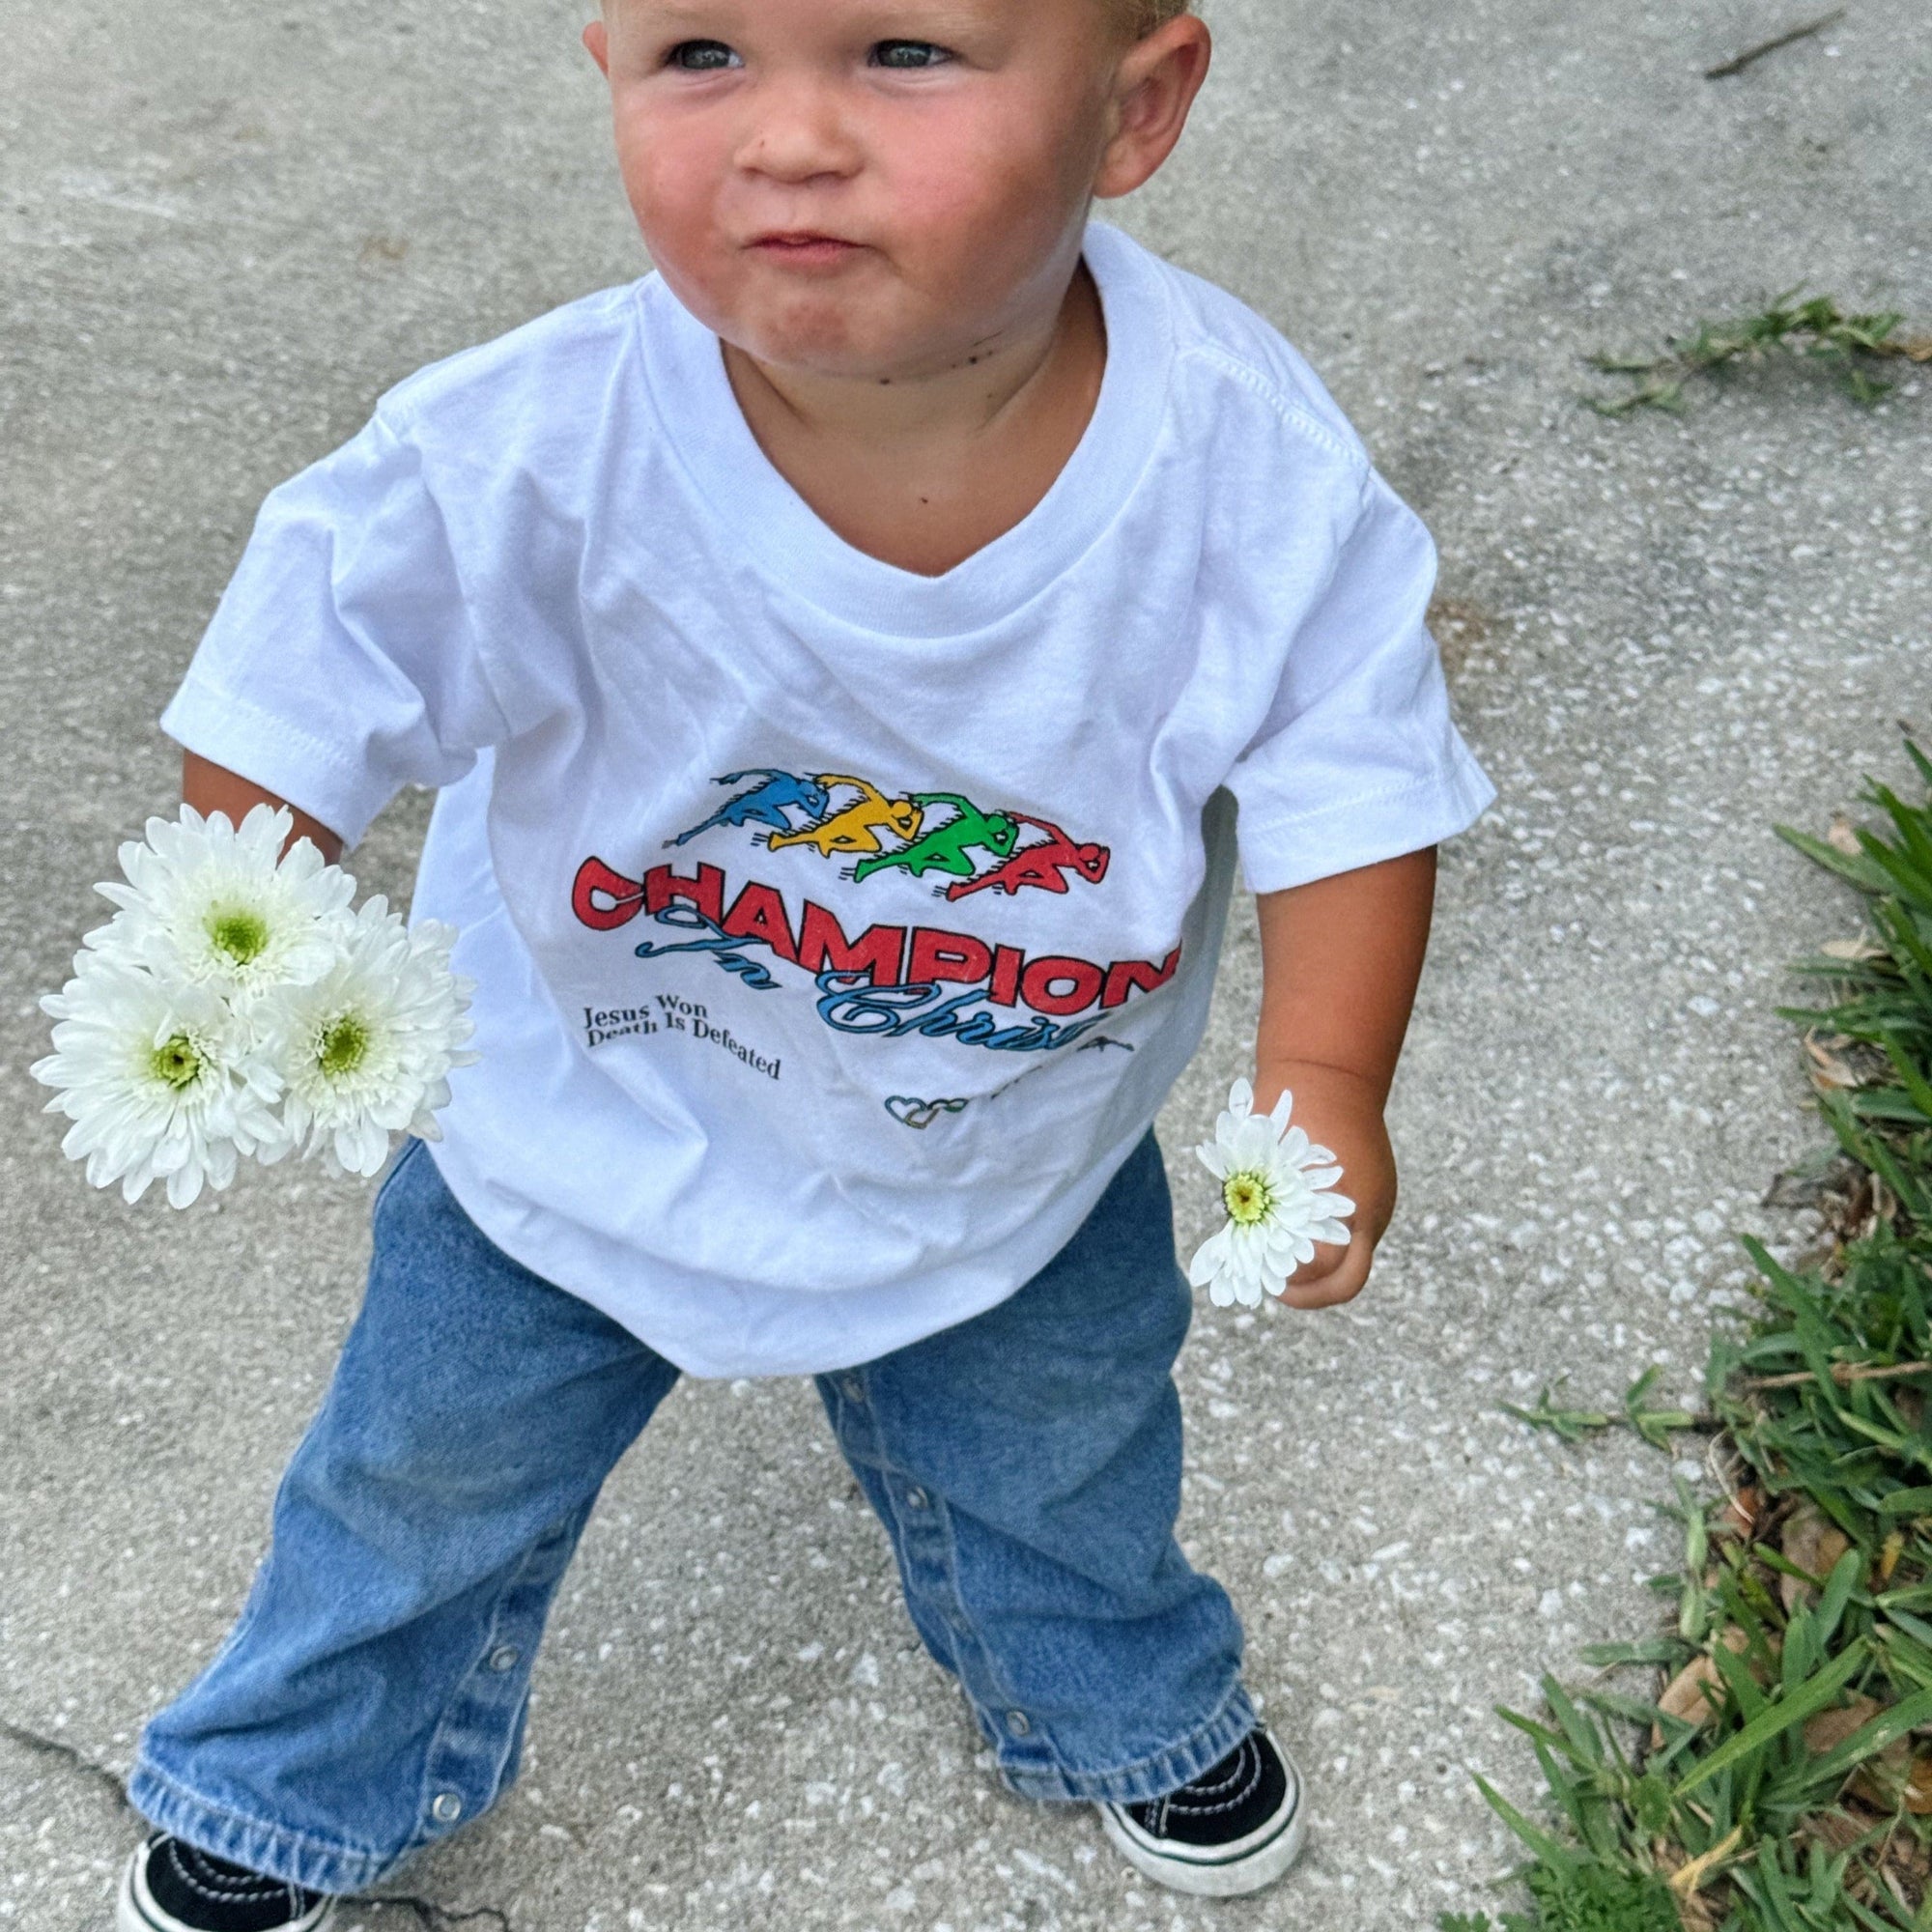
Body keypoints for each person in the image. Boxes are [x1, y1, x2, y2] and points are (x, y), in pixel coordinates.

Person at [114, 0, 1495, 1925]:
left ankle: (1106, 1697)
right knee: (411, 1490)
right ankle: (294, 1781)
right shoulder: (534, 443)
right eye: (701, 52)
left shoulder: (1239, 475)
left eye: (904, 52)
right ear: (602, 61)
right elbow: (308, 660)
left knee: (1065, 1465)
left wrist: (1326, 1081)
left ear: (1137, 103)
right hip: (572, 1123)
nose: (788, 138)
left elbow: (1351, 776)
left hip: (1009, 1149)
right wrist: (247, 923)